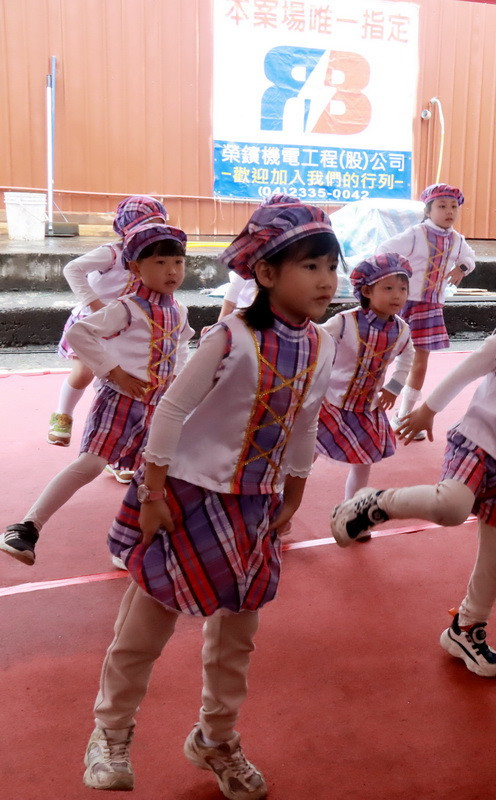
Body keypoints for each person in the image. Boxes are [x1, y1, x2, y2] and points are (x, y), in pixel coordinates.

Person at [82, 202, 338, 798]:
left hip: (255, 507)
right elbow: (169, 411)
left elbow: (305, 422)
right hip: (186, 498)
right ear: (268, 275)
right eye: (310, 265)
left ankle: (216, 738)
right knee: (146, 625)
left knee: (237, 634)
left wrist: (295, 487)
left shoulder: (321, 346)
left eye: (331, 265)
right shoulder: (231, 337)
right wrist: (151, 493)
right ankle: (109, 734)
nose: (326, 280)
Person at [329, 238, 496, 678]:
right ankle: (374, 502)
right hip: (476, 444)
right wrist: (426, 411)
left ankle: (467, 628)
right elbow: (459, 375)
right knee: (452, 506)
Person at [1, 224, 193, 568]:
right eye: (161, 262)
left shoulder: (178, 309)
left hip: (157, 407)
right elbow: (80, 333)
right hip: (120, 401)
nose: (172, 271)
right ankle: (27, 526)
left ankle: (126, 543)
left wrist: (178, 383)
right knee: (91, 464)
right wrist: (114, 371)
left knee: (154, 474)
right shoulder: (127, 308)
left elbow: (180, 346)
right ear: (135, 268)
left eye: (178, 262)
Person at [50, 195, 168, 485]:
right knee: (84, 372)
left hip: (124, 328)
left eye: (158, 227)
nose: (151, 235)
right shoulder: (112, 254)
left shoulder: (153, 258)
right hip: (91, 324)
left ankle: (119, 456)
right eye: (145, 227)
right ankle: (62, 414)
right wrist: (93, 303)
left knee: (124, 386)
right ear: (128, 229)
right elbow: (72, 268)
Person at [376, 183, 476, 436]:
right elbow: (384, 251)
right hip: (403, 304)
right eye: (442, 206)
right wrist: (399, 280)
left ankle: (404, 415)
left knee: (419, 362)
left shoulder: (457, 239)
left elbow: (470, 259)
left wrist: (461, 268)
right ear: (428, 209)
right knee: (382, 356)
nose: (449, 211)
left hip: (430, 307)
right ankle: (367, 409)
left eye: (454, 206)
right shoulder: (416, 233)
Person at [316, 253, 414, 504]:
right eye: (389, 288)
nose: (397, 295)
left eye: (403, 288)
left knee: (364, 462)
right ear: (368, 291)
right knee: (304, 456)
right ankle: (279, 502)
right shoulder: (345, 321)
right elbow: (316, 339)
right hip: (331, 402)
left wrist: (394, 386)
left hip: (367, 408)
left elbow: (406, 357)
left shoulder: (401, 330)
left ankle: (352, 510)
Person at [218, 193, 301, 320]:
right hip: (251, 318)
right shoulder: (253, 253)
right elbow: (232, 295)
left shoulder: (300, 253)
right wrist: (220, 326)